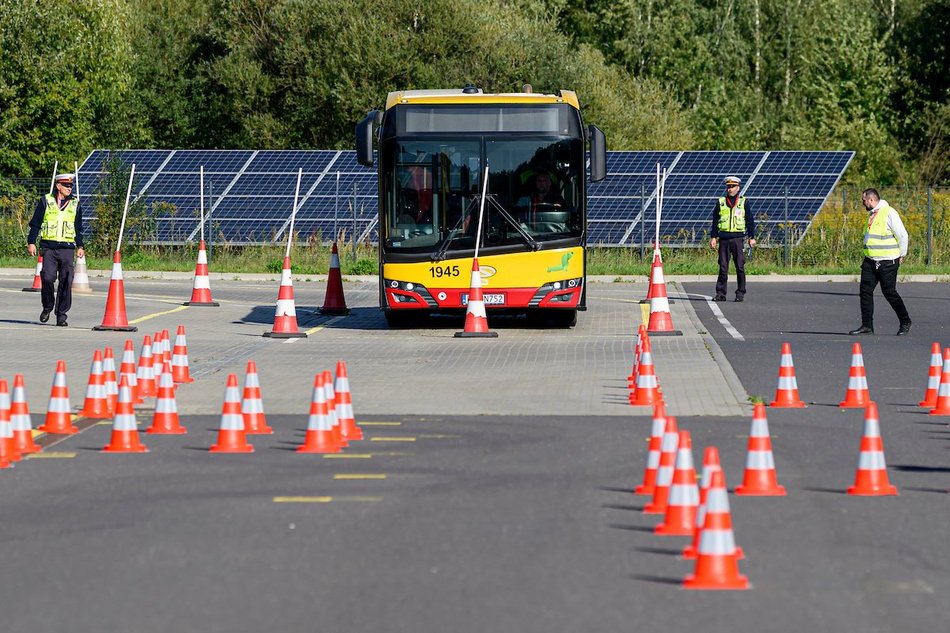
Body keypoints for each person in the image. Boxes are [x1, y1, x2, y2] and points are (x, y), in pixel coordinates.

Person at [848, 189, 912, 336]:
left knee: (889, 292)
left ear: (871, 200)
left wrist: (902, 254)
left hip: (888, 261)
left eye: (863, 200)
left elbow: (903, 235)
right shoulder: (872, 215)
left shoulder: (889, 212)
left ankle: (905, 321)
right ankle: (867, 326)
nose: (862, 203)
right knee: (865, 292)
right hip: (870, 261)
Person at [27, 172, 85, 327]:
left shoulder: (75, 204)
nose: (69, 188)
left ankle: (61, 315)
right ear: (58, 186)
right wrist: (31, 242)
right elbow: (35, 223)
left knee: (66, 281)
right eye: (66, 185)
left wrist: (80, 246)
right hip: (49, 247)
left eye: (71, 185)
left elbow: (79, 228)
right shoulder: (46, 201)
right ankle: (47, 306)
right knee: (47, 277)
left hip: (67, 248)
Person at [710, 176, 756, 301]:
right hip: (724, 239)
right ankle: (721, 294)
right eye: (728, 186)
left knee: (740, 267)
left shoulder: (743, 202)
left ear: (738, 188)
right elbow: (715, 221)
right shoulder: (721, 202)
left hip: (738, 239)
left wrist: (752, 237)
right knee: (723, 267)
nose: (730, 189)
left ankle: (740, 293)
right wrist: (713, 237)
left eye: (733, 186)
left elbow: (750, 220)